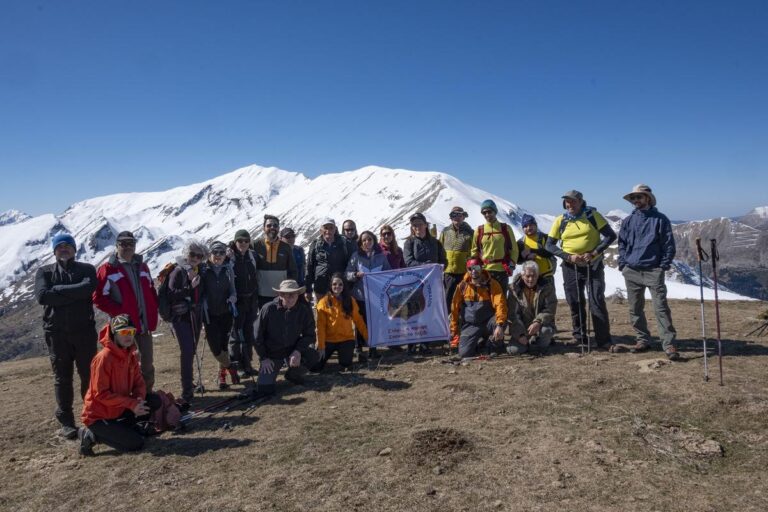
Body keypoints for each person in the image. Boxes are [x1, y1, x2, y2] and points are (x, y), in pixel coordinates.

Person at [34, 233, 98, 439]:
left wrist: (59, 291)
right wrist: (74, 293)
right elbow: (43, 296)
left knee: (88, 375)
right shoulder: (44, 272)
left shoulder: (87, 269)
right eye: (59, 246)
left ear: (74, 249)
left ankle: (92, 416)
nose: (64, 249)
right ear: (54, 250)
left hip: (84, 332)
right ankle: (67, 423)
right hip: (56, 334)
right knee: (62, 378)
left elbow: (88, 288)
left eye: (68, 246)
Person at [78, 315, 161, 456]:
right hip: (99, 416)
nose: (128, 336)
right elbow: (100, 394)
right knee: (136, 444)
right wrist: (131, 404)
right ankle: (91, 434)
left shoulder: (130, 354)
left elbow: (138, 382)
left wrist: (138, 400)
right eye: (123, 332)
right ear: (114, 334)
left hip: (119, 408)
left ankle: (122, 429)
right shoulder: (104, 358)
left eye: (131, 331)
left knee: (153, 401)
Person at [546, 190, 617, 349]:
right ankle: (579, 337)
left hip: (594, 265)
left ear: (580, 201)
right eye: (567, 201)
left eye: (573, 201)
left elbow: (610, 236)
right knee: (575, 301)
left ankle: (603, 340)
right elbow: (549, 245)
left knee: (596, 301)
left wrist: (594, 253)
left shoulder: (592, 216)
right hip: (570, 266)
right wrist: (567, 256)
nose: (569, 204)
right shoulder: (560, 221)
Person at [617, 184, 679, 360]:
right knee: (635, 308)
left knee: (661, 308)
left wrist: (663, 266)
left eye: (639, 197)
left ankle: (669, 344)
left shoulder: (660, 219)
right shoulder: (628, 220)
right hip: (632, 270)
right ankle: (642, 340)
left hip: (653, 270)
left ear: (648, 199)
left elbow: (669, 245)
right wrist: (623, 264)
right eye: (633, 198)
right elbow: (622, 243)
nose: (636, 200)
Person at [93, 231, 159, 391]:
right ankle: (127, 401)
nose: (128, 247)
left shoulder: (143, 267)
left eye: (131, 243)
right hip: (123, 329)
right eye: (123, 243)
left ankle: (146, 397)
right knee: (124, 366)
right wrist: (119, 312)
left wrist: (153, 312)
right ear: (116, 246)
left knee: (147, 365)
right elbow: (98, 298)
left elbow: (151, 291)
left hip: (144, 326)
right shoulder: (107, 269)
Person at [252, 280, 321, 397]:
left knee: (313, 356)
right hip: (272, 354)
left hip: (291, 351)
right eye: (287, 294)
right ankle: (268, 377)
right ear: (281, 295)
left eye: (294, 294)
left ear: (298, 295)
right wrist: (263, 358)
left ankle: (293, 374)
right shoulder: (268, 309)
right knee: (264, 390)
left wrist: (298, 350)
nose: (291, 298)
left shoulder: (303, 310)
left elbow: (310, 335)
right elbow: (256, 336)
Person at [166, 240, 208, 407]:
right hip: (182, 317)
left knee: (191, 350)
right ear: (186, 254)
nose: (195, 258)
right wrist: (189, 286)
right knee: (188, 351)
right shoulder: (178, 271)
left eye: (199, 256)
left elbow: (201, 292)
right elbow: (170, 294)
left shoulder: (199, 271)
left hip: (195, 315)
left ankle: (189, 384)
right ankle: (186, 391)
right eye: (192, 255)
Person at [403, 212, 447, 354]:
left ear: (425, 225)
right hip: (414, 284)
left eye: (419, 224)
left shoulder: (435, 242)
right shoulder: (409, 243)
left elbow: (444, 261)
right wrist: (426, 266)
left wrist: (439, 266)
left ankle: (425, 343)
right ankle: (411, 343)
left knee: (428, 312)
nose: (417, 227)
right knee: (414, 312)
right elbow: (408, 262)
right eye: (414, 225)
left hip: (432, 284)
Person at [346, 231, 391, 360]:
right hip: (360, 295)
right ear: (360, 243)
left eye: (369, 239)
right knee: (360, 322)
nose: (367, 242)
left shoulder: (381, 256)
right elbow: (347, 273)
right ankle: (359, 349)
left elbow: (388, 272)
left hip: (376, 296)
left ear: (374, 241)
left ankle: (373, 348)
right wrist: (355, 275)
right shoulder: (355, 256)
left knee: (374, 323)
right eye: (364, 240)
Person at [450, 258, 508, 358]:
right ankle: (481, 343)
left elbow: (500, 304)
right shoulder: (462, 286)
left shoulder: (492, 284)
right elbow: (454, 308)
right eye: (470, 268)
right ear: (467, 270)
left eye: (476, 267)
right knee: (464, 354)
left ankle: (494, 345)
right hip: (470, 325)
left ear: (481, 268)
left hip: (488, 322)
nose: (473, 271)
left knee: (500, 324)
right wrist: (454, 330)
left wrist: (500, 324)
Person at [202, 241, 239, 390]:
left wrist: (233, 297)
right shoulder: (204, 270)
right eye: (215, 253)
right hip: (209, 314)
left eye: (221, 253)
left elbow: (233, 290)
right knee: (215, 347)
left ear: (225, 255)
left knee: (223, 346)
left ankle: (222, 376)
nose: (218, 256)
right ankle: (230, 367)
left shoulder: (228, 269)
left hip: (226, 312)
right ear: (210, 254)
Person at [314, 274, 369, 372]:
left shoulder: (350, 300)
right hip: (328, 340)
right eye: (334, 284)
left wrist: (367, 337)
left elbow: (358, 320)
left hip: (346, 339)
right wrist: (321, 346)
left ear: (344, 286)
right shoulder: (323, 302)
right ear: (331, 286)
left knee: (345, 364)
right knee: (315, 367)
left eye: (340, 284)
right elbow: (320, 326)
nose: (337, 287)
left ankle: (345, 359)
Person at [506, 261, 558, 355]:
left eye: (534, 276)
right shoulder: (513, 289)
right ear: (522, 275)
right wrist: (520, 334)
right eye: (528, 276)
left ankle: (540, 344)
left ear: (538, 275)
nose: (531, 279)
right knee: (514, 350)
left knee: (546, 331)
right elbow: (513, 315)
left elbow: (550, 309)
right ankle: (528, 341)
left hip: (541, 325)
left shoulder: (547, 287)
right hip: (523, 327)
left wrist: (538, 321)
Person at [228, 229, 259, 378]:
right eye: (240, 241)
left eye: (246, 241)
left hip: (251, 300)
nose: (243, 244)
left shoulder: (252, 256)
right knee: (236, 334)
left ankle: (248, 364)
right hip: (237, 301)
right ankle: (238, 365)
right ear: (235, 242)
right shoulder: (230, 258)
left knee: (248, 333)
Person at [252, 215, 298, 308]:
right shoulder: (255, 245)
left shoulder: (286, 247)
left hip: (281, 294)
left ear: (278, 228)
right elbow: (239, 246)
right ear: (263, 228)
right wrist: (231, 246)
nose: (272, 227)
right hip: (261, 295)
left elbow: (293, 270)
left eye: (275, 225)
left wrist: (290, 290)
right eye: (269, 225)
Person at [473, 199, 519, 291]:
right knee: (486, 302)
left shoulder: (506, 229)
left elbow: (514, 249)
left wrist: (512, 264)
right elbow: (474, 251)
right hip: (484, 272)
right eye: (484, 213)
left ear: (495, 211)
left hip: (502, 271)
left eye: (489, 211)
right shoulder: (479, 231)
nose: (487, 215)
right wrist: (475, 270)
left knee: (501, 302)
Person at [306, 218, 351, 303]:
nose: (328, 231)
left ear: (335, 229)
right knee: (321, 312)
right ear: (321, 230)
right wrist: (308, 289)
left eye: (331, 228)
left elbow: (348, 264)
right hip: (321, 287)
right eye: (325, 228)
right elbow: (309, 266)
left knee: (339, 313)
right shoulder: (315, 244)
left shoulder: (343, 244)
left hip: (339, 288)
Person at [439, 206, 474, 316]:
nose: (457, 217)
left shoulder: (470, 232)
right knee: (448, 298)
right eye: (454, 215)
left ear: (464, 217)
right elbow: (440, 249)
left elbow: (474, 251)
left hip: (464, 273)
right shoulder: (445, 231)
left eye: (460, 215)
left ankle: (462, 324)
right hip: (448, 273)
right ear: (451, 217)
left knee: (464, 299)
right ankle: (448, 324)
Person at [517, 214, 557, 284]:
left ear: (536, 225)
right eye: (525, 226)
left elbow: (550, 253)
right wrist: (526, 257)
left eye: (531, 225)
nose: (529, 228)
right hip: (529, 278)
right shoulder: (520, 243)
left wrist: (532, 251)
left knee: (548, 294)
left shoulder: (544, 237)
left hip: (546, 275)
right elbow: (518, 260)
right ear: (522, 228)